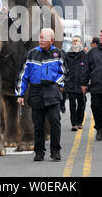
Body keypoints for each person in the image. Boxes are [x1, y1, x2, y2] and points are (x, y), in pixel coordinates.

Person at [16, 28, 67, 162]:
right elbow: (22, 75)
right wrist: (20, 95)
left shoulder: (58, 54)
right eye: (40, 37)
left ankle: (55, 151)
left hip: (52, 90)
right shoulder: (31, 54)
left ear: (52, 40)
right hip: (36, 92)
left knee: (55, 123)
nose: (41, 40)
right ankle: (39, 152)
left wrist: (58, 84)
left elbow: (65, 73)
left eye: (44, 38)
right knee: (38, 125)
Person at [65, 36, 86, 131]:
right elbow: (64, 69)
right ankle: (74, 124)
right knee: (72, 105)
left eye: (77, 41)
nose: (75, 42)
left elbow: (88, 70)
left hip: (81, 84)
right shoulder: (67, 56)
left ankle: (79, 122)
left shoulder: (85, 56)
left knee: (81, 104)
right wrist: (66, 80)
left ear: (80, 43)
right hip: (71, 84)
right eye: (73, 41)